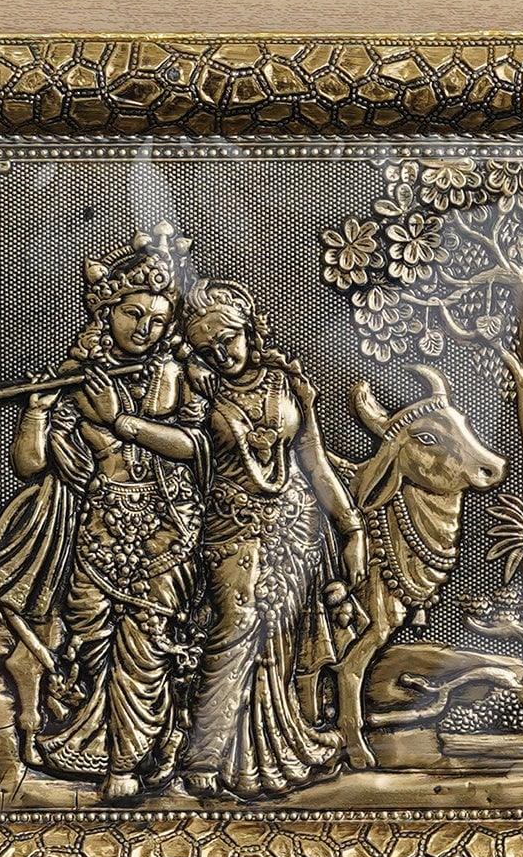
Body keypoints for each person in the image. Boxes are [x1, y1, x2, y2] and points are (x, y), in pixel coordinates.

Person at [107, 281, 366, 799]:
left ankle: (264, 751)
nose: (221, 355)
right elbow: (184, 447)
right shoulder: (198, 389)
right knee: (236, 627)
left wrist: (351, 527)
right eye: (207, 348)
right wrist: (128, 425)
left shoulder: (286, 384)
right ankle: (203, 758)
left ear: (249, 329)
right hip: (230, 526)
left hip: (295, 529)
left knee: (277, 638)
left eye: (227, 339)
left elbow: (313, 461)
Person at [0, 231, 201, 802]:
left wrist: (121, 423)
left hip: (164, 526)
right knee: (89, 633)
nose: (144, 329)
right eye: (132, 314)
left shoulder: (179, 374)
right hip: (97, 526)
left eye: (156, 320)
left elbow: (194, 446)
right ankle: (96, 739)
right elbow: (31, 465)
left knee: (145, 642)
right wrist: (37, 413)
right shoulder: (78, 377)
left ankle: (126, 762)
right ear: (106, 312)